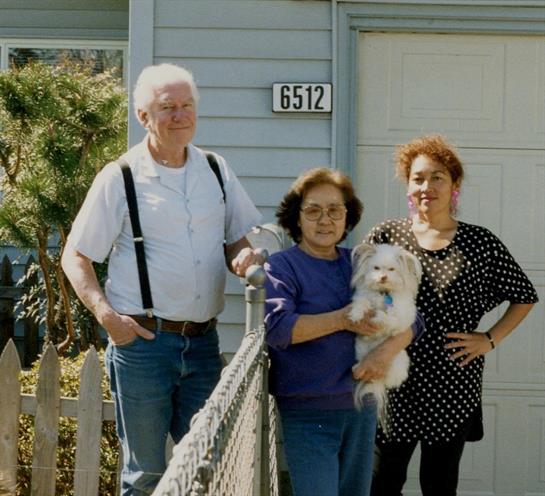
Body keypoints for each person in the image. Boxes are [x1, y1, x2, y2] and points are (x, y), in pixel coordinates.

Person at [61, 63, 263, 495]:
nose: (179, 116)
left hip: (204, 344)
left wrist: (245, 258)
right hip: (144, 346)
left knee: (210, 465)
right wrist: (107, 317)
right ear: (143, 116)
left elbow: (235, 241)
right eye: (167, 107)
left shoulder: (215, 169)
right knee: (145, 474)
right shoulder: (121, 177)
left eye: (186, 106)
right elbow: (75, 256)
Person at [369, 134, 538, 496]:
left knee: (440, 483)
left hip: (452, 381)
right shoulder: (387, 235)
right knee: (383, 481)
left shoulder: (480, 243)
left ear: (454, 185)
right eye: (418, 178)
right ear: (408, 185)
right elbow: (364, 291)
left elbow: (524, 296)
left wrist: (490, 339)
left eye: (438, 177)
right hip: (394, 376)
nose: (426, 186)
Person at [263, 167, 425, 496]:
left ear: (347, 217)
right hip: (308, 409)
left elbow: (414, 318)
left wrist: (388, 349)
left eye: (335, 210)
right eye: (313, 210)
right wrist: (343, 320)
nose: (325, 220)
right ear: (296, 217)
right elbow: (279, 329)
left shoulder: (361, 260)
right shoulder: (283, 266)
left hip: (361, 406)